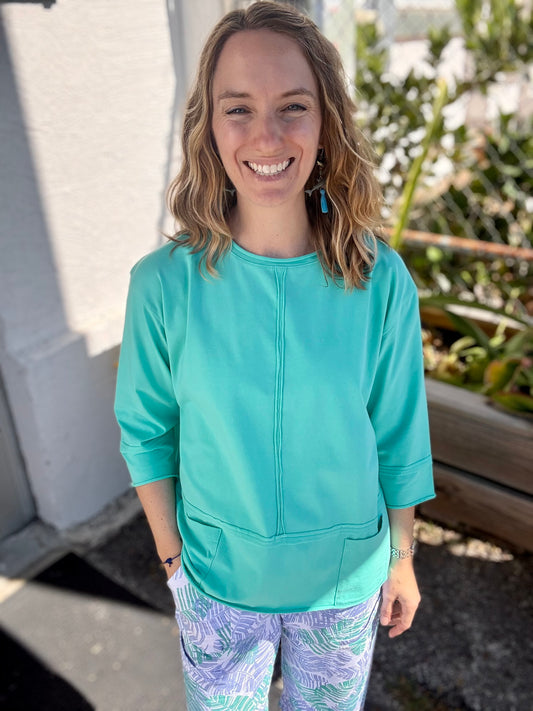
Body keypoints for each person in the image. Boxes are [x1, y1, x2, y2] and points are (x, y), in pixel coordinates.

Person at [114, 2, 435, 709]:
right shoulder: (161, 285)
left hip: (345, 587)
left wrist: (402, 558)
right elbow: (146, 431)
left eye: (293, 106)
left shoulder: (378, 280)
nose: (266, 135)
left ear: (326, 122)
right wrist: (174, 563)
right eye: (238, 108)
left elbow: (399, 435)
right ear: (209, 125)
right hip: (216, 586)